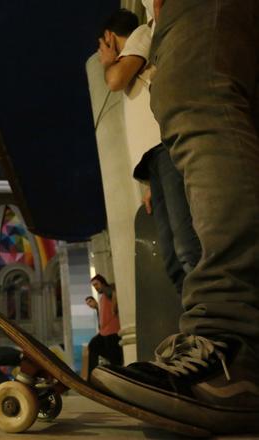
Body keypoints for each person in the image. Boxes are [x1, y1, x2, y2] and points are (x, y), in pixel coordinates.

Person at [91, 0, 259, 434]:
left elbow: (115, 79)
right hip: (160, 158)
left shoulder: (142, 38)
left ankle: (232, 346)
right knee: (175, 253)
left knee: (191, 84)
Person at [98, 8, 201, 294]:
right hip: (153, 160)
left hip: (165, 147)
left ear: (108, 36)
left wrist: (108, 62)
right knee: (170, 256)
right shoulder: (131, 52)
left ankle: (215, 322)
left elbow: (115, 80)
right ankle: (196, 319)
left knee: (186, 245)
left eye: (102, 44)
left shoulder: (141, 35)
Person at [86, 276, 123, 378]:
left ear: (102, 282)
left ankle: (95, 376)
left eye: (96, 284)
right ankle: (92, 376)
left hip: (112, 332)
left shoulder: (107, 290)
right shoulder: (102, 297)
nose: (95, 287)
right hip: (105, 332)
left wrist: (114, 308)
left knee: (114, 358)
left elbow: (114, 293)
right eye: (94, 286)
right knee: (94, 346)